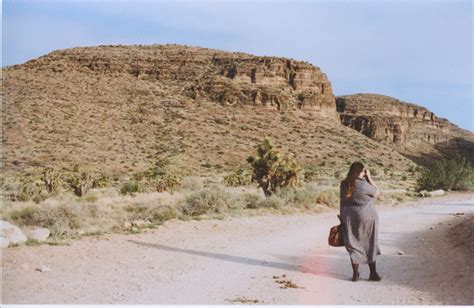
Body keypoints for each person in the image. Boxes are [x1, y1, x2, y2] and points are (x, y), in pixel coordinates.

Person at [339, 162, 382, 282]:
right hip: (367, 216)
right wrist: (370, 178)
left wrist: (342, 216)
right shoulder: (363, 185)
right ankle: (373, 274)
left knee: (354, 244)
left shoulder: (344, 184)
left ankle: (355, 274)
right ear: (359, 172)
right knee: (370, 242)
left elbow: (342, 201)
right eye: (364, 171)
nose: (365, 173)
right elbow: (377, 192)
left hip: (349, 217)